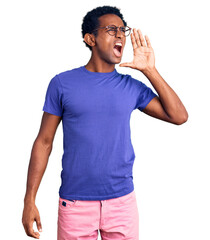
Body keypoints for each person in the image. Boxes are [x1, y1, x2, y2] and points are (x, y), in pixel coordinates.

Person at [22, 5, 188, 240]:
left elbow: (179, 116)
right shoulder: (62, 84)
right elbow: (44, 142)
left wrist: (150, 70)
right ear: (91, 39)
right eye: (112, 29)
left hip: (122, 203)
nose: (120, 35)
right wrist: (29, 200)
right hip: (75, 203)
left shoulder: (130, 87)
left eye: (123, 30)